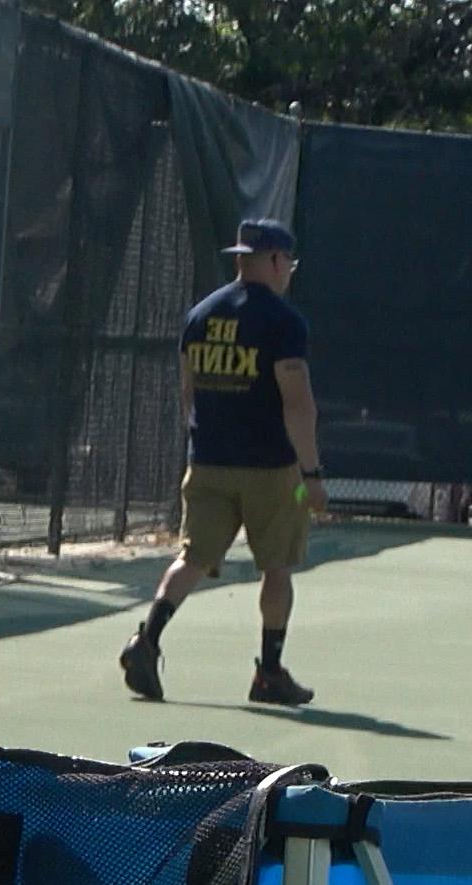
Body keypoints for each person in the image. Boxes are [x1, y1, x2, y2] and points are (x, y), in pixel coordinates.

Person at [122, 218, 324, 707]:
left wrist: (205, 439)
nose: (288, 274)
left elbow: (188, 392)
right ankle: (269, 674)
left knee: (192, 558)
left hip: (207, 462)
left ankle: (146, 640)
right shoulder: (283, 322)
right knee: (277, 567)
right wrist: (311, 474)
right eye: (288, 265)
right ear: (275, 260)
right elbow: (296, 402)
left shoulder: (200, 315)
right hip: (271, 470)